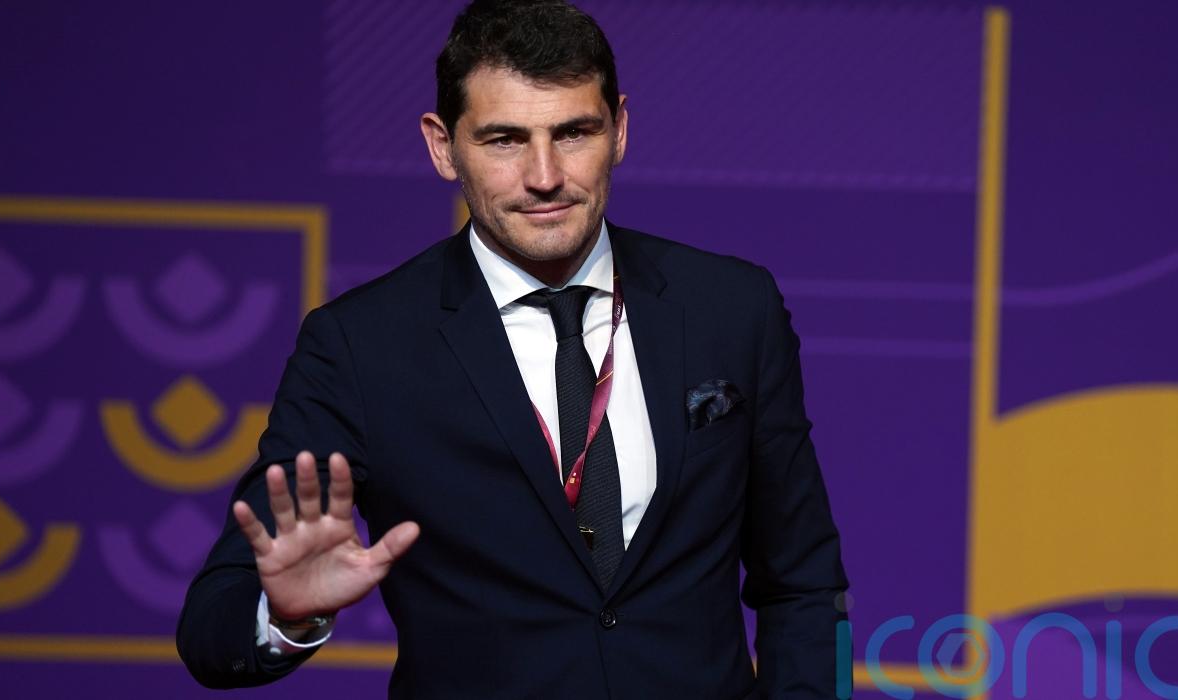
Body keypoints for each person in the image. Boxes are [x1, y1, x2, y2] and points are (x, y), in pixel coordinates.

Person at [176, 1, 849, 697]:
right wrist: (289, 616)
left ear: (620, 129)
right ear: (443, 147)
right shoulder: (360, 346)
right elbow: (212, 626)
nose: (545, 175)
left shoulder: (731, 308)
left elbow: (804, 581)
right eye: (504, 140)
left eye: (574, 132)